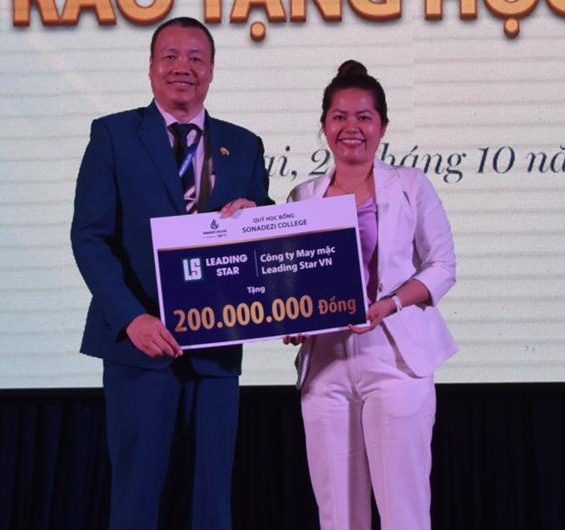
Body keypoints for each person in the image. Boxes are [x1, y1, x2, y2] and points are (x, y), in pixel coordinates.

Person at [70, 17, 272, 530]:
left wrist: (258, 215)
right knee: (136, 499)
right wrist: (130, 318)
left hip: (217, 350)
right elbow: (90, 237)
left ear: (212, 69)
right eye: (171, 56)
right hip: (140, 346)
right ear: (151, 67)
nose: (183, 67)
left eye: (196, 58)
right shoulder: (113, 135)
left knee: (212, 501)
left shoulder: (244, 145)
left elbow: (266, 233)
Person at [284, 60, 458, 530]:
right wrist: (292, 318)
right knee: (337, 514)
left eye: (364, 117)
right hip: (325, 364)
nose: (352, 128)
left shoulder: (412, 185)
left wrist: (389, 305)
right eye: (339, 117)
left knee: (404, 509)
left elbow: (442, 267)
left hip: (395, 359)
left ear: (382, 125)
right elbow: (291, 278)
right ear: (324, 125)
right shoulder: (302, 195)